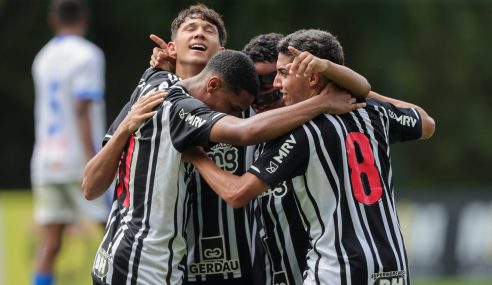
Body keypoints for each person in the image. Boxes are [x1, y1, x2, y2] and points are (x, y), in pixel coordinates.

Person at [182, 29, 436, 285]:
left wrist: (196, 155)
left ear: (313, 76)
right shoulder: (373, 112)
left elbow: (237, 193)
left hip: (338, 269)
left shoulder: (302, 131)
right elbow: (426, 124)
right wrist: (350, 85)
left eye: (282, 74)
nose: (276, 85)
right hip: (393, 269)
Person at [30, 1, 108, 285]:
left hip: (46, 160)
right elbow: (81, 107)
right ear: (85, 17)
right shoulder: (87, 55)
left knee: (50, 244)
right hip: (80, 159)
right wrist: (94, 159)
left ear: (53, 19)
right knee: (114, 231)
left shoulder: (42, 57)